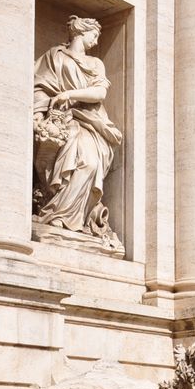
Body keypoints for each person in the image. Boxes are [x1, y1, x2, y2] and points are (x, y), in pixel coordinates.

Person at [33, 15, 123, 248]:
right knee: (68, 156)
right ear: (82, 32)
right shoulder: (54, 56)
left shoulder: (95, 63)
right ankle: (57, 216)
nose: (96, 40)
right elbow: (40, 86)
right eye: (94, 35)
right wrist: (38, 112)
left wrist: (69, 95)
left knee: (91, 163)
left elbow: (100, 94)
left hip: (90, 121)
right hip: (63, 120)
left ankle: (70, 217)